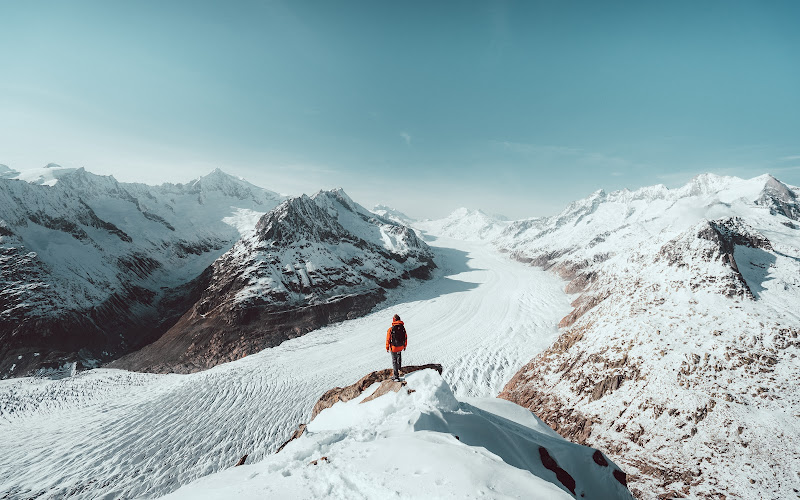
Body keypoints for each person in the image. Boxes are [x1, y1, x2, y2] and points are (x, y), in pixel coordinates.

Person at [386, 314, 407, 381]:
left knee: (394, 360)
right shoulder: (402, 328)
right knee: (399, 357)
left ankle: (396, 376)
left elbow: (388, 339)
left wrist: (387, 347)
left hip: (394, 347)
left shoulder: (391, 329)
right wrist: (404, 346)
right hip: (401, 346)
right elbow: (405, 337)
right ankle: (399, 369)